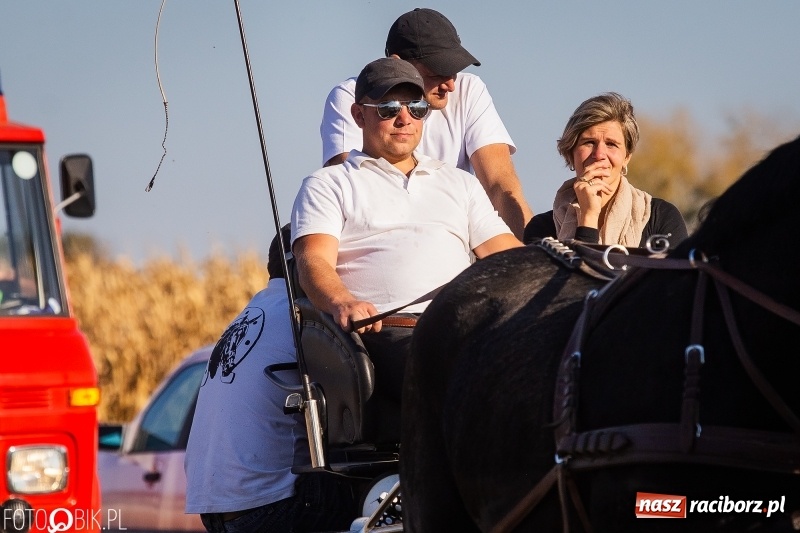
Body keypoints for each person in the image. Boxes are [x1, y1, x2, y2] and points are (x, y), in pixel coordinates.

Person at [294, 57, 522, 404]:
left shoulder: (460, 183)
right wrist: (344, 302)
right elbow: (313, 262)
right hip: (388, 337)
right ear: (359, 115)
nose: (405, 119)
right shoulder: (328, 184)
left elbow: (508, 257)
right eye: (387, 108)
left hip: (465, 331)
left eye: (417, 108)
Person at [184, 225, 357, 533]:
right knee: (393, 492)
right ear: (301, 263)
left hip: (216, 509)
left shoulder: (255, 311)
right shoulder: (306, 320)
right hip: (271, 507)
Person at [320, 7, 534, 239]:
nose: (450, 85)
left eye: (454, 71)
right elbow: (346, 189)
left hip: (457, 239)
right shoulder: (352, 95)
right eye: (437, 72)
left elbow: (500, 185)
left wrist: (533, 256)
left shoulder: (469, 89)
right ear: (397, 63)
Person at [523, 92, 689, 248]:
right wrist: (588, 217)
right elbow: (579, 279)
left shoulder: (661, 218)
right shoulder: (542, 230)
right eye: (589, 142)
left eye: (611, 144)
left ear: (627, 157)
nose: (599, 154)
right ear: (570, 153)